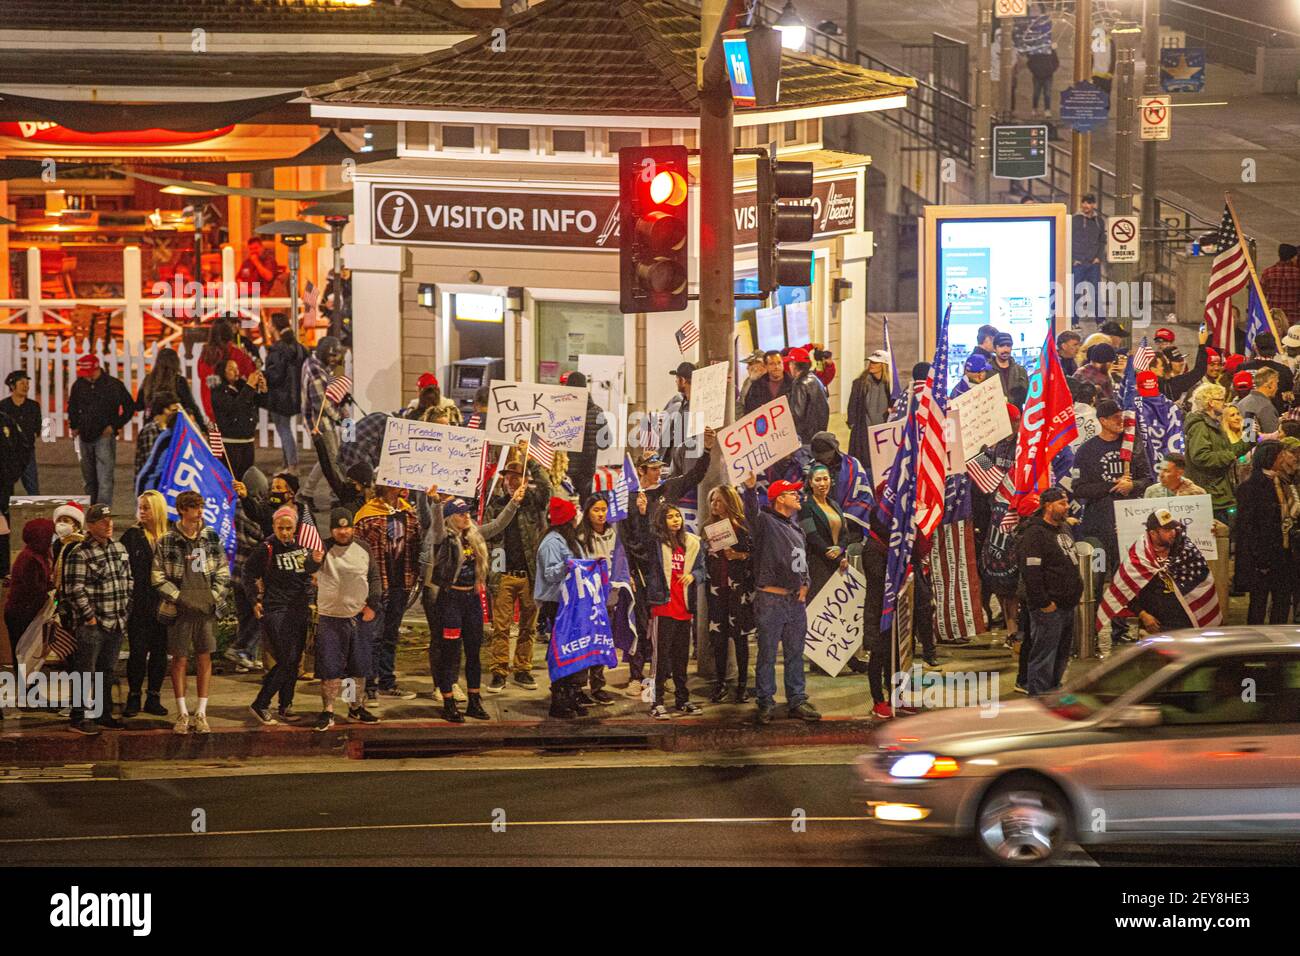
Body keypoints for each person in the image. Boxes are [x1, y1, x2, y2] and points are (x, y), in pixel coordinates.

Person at [423, 486, 524, 723]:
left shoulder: (474, 534)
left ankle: (474, 701)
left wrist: (514, 502)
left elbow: (498, 524)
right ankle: (448, 701)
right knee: (449, 652)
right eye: (460, 514)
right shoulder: (443, 537)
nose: (466, 516)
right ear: (450, 517)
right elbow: (436, 524)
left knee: (474, 652)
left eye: (467, 512)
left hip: (472, 600)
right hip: (450, 600)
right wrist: (436, 503)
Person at [740, 473, 821, 725]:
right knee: (767, 654)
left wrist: (806, 584)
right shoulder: (765, 522)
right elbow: (751, 512)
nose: (797, 495)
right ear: (778, 499)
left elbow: (802, 561)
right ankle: (765, 701)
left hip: (794, 602)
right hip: (771, 600)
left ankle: (797, 699)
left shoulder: (795, 527)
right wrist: (751, 489)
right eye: (791, 493)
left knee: (796, 653)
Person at [154, 490, 230, 735]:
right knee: (180, 659)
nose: (199, 513)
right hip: (180, 610)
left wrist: (214, 596)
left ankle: (201, 712)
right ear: (182, 511)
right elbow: (157, 576)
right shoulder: (167, 540)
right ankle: (182, 712)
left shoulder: (209, 537)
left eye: (201, 507)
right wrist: (178, 598)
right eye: (194, 508)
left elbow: (222, 570)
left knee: (205, 657)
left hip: (205, 610)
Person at [482, 452, 552, 693]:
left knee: (528, 626)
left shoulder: (533, 502)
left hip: (530, 575)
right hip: (503, 574)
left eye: (516, 478)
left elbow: (547, 486)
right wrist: (491, 574)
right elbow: (489, 539)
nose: (511, 482)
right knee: (500, 627)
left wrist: (531, 459)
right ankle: (499, 671)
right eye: (507, 478)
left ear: (524, 480)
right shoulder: (496, 506)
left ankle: (523, 669)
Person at [246, 506, 323, 725]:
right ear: (274, 527)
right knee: (287, 658)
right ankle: (260, 703)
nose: (286, 533)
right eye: (281, 528)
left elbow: (309, 569)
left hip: (299, 608)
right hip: (276, 608)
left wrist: (316, 562)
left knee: (294, 659)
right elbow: (248, 572)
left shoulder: (305, 544)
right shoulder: (267, 548)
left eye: (289, 528)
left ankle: (285, 705)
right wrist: (254, 600)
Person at [61, 504, 133, 735]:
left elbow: (128, 579)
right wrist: (90, 618)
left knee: (107, 671)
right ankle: (78, 716)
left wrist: (125, 610)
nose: (109, 524)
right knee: (85, 670)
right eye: (103, 521)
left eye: (110, 519)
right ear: (90, 526)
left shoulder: (119, 548)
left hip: (116, 622)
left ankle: (103, 713)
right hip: (93, 625)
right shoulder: (79, 552)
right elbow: (74, 589)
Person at [349, 483, 422, 702]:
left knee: (391, 634)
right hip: (377, 584)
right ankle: (369, 684)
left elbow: (417, 545)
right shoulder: (366, 515)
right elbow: (356, 551)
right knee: (374, 635)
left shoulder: (408, 513)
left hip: (401, 582)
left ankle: (386, 680)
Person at [313, 507, 382, 731]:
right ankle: (328, 711)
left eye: (346, 527)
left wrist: (373, 605)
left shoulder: (363, 547)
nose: (343, 532)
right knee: (329, 667)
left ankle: (354, 708)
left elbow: (374, 576)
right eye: (338, 528)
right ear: (331, 529)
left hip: (358, 616)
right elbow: (307, 570)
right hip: (331, 617)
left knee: (358, 666)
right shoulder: (322, 547)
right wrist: (313, 562)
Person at [643, 500, 705, 720]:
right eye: (670, 517)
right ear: (662, 520)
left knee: (681, 659)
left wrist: (694, 576)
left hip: (684, 609)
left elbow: (701, 569)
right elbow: (641, 537)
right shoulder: (656, 543)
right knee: (659, 659)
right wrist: (642, 511)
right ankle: (654, 700)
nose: (675, 520)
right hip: (663, 607)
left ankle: (682, 699)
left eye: (677, 516)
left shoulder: (692, 543)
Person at [1017, 487, 1081, 695]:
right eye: (1062, 503)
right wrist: (1044, 602)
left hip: (1067, 605)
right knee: (1044, 656)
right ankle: (1039, 698)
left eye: (1066, 502)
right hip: (1048, 608)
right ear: (1048, 505)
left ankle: (1054, 693)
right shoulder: (1034, 533)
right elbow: (1031, 572)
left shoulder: (1064, 529)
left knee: (1062, 654)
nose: (1066, 507)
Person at [573, 494, 633, 706]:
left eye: (603, 509)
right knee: (584, 644)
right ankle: (578, 687)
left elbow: (621, 564)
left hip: (607, 599)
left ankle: (598, 686)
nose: (600, 514)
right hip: (586, 600)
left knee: (601, 643)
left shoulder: (614, 535)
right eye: (596, 510)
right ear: (588, 512)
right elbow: (573, 566)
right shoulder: (579, 536)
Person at [1233, 441, 1299, 624]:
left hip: (1284, 553)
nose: (1283, 459)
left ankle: (1278, 638)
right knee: (1259, 602)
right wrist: (1259, 558)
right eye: (1280, 455)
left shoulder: (1282, 482)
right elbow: (1247, 527)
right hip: (1262, 558)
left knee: (1282, 600)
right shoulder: (1251, 487)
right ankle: (1256, 642)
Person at [535, 496, 588, 718]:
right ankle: (558, 700)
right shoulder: (552, 543)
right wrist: (568, 565)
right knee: (561, 651)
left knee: (573, 650)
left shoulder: (569, 541)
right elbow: (550, 574)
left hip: (570, 603)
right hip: (556, 605)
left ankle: (571, 695)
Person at [120, 491, 170, 720]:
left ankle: (154, 696)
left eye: (147, 507)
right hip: (139, 605)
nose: (142, 511)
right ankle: (133, 696)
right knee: (138, 653)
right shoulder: (131, 536)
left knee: (160, 654)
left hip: (165, 606)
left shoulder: (170, 537)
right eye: (140, 507)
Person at [703, 484, 755, 703]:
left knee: (740, 638)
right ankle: (720, 682)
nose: (715, 505)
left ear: (729, 502)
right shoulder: (707, 527)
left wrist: (738, 555)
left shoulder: (743, 527)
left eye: (719, 500)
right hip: (716, 589)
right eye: (712, 501)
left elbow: (756, 555)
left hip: (738, 590)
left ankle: (742, 684)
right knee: (719, 639)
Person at [66, 354, 133, 506]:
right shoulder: (79, 385)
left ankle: (102, 512)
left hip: (104, 436)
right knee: (88, 479)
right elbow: (73, 406)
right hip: (84, 436)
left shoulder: (113, 385)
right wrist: (74, 426)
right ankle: (92, 509)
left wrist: (114, 426)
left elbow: (129, 407)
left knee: (104, 479)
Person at [1184, 382, 1251, 527]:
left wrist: (1251, 437)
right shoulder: (1200, 426)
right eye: (1221, 399)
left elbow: (1231, 451)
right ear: (1210, 403)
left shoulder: (1214, 425)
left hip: (1221, 494)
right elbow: (1200, 457)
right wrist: (1228, 457)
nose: (1225, 403)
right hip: (1213, 497)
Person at [302, 335, 347, 510]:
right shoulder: (315, 370)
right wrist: (339, 416)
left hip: (322, 421)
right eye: (332, 355)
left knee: (327, 458)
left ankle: (306, 494)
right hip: (320, 422)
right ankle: (335, 495)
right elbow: (322, 403)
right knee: (332, 460)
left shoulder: (316, 364)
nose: (335, 359)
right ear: (323, 353)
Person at [799, 462, 852, 606]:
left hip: (839, 561)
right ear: (810, 483)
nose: (822, 483)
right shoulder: (805, 506)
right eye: (818, 480)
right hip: (818, 564)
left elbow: (845, 534)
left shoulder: (834, 504)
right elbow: (812, 536)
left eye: (825, 478)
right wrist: (835, 557)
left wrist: (840, 549)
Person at [263, 312, 309, 475]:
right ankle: (287, 463)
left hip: (279, 396)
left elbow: (275, 375)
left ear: (274, 327)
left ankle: (292, 465)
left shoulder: (278, 349)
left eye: (269, 323)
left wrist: (263, 374)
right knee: (285, 429)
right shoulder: (298, 347)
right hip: (294, 395)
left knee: (283, 429)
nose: (267, 326)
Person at [4, 517, 53, 669]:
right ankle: (27, 688)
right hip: (21, 615)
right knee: (24, 654)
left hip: (26, 613)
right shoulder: (30, 559)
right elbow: (34, 589)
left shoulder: (38, 554)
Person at [211, 359, 270, 481]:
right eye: (231, 369)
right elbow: (235, 408)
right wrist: (249, 386)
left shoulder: (241, 385)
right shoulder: (218, 391)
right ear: (222, 372)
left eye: (236, 368)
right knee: (233, 480)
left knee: (247, 479)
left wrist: (263, 390)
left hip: (248, 441)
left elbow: (260, 403)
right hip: (231, 443)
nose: (236, 372)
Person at [196, 316, 256, 422]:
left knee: (215, 436)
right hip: (232, 405)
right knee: (229, 436)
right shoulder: (236, 353)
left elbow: (201, 375)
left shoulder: (205, 355)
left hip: (209, 404)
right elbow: (251, 372)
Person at [135, 346, 203, 429]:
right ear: (176, 363)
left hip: (151, 425)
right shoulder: (179, 381)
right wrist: (203, 427)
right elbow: (190, 405)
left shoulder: (148, 380)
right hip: (173, 426)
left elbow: (139, 405)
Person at [847, 349, 893, 467]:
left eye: (875, 362)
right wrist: (853, 424)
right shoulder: (859, 383)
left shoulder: (890, 386)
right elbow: (852, 406)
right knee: (865, 465)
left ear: (883, 365)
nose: (871, 365)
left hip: (883, 434)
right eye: (871, 362)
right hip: (863, 433)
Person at [563, 370, 603, 502]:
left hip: (565, 468)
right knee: (585, 504)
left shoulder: (561, 411)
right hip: (587, 469)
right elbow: (605, 443)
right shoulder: (597, 411)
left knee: (568, 506)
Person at [1, 369, 42, 494]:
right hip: (8, 453)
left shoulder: (33, 406)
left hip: (26, 450)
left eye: (27, 383)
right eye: (22, 383)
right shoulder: (3, 406)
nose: (26, 386)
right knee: (6, 486)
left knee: (32, 486)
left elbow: (37, 427)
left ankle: (37, 511)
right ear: (12, 386)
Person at [1072, 194, 1107, 321]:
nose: (1086, 205)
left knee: (1095, 293)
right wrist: (1073, 259)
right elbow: (1069, 239)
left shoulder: (1099, 221)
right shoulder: (1075, 220)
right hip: (1079, 263)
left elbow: (1102, 240)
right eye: (1084, 202)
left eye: (1089, 203)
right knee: (1075, 293)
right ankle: (1073, 321)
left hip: (1093, 263)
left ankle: (1100, 320)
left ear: (1094, 205)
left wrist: (1098, 257)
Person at [133, 393, 181, 488]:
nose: (177, 413)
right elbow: (151, 462)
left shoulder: (170, 430)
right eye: (173, 410)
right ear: (163, 410)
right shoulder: (151, 430)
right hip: (152, 485)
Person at [1240, 331, 1294, 409]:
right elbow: (1288, 395)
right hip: (1274, 414)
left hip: (1245, 413)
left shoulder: (1242, 368)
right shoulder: (1285, 371)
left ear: (1255, 347)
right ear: (1274, 348)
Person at [787, 347, 830, 445]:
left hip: (805, 438)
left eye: (790, 363)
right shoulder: (815, 379)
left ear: (794, 365)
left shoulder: (800, 383)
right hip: (818, 435)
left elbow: (797, 414)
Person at [1234, 365, 1281, 436]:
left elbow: (1248, 437)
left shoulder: (1242, 402)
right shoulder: (1265, 407)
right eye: (1276, 383)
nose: (1277, 387)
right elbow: (1272, 440)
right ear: (1270, 385)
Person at [1260, 244, 1300, 324]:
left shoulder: (1267, 273)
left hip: (1273, 318)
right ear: (1293, 257)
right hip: (1294, 319)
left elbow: (1260, 295)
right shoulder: (1298, 274)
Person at [743, 349, 790, 414]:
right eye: (772, 364)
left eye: (751, 364)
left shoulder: (793, 383)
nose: (776, 367)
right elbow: (747, 409)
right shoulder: (754, 385)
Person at [991, 332, 1029, 402]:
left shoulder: (1021, 371)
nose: (1005, 350)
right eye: (1001, 346)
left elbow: (1027, 398)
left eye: (1008, 345)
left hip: (1017, 412)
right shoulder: (987, 371)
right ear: (994, 348)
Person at [1027, 42, 1060, 115]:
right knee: (1036, 93)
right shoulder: (1036, 50)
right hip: (1037, 76)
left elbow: (1056, 62)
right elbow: (1029, 61)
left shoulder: (1051, 51)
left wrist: (1051, 70)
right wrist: (1034, 71)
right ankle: (1034, 109)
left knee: (1047, 94)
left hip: (1048, 76)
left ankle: (1047, 110)